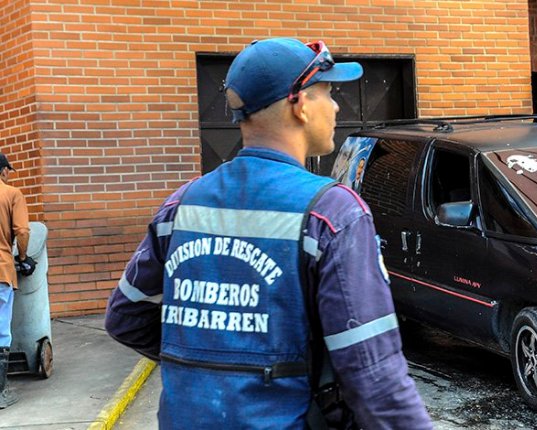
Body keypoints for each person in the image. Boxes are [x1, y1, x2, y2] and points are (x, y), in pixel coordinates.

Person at [105, 38, 432, 429]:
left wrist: (213, 364)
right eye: (327, 93)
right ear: (298, 104)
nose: (336, 106)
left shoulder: (182, 205)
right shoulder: (332, 214)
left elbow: (126, 317)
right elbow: (375, 376)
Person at [0, 153, 31, 409]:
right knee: (1, 331)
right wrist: (23, 256)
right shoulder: (12, 194)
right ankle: (0, 393)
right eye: (7, 170)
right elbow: (22, 230)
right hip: (1, 271)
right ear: (2, 171)